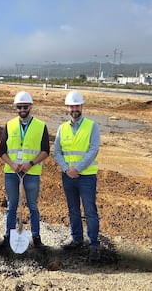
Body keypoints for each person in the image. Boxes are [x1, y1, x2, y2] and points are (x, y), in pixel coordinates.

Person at [0, 91, 50, 251]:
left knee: (32, 206)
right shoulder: (9, 125)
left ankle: (36, 238)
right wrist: (12, 164)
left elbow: (46, 150)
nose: (22, 109)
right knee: (12, 205)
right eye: (19, 107)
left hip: (31, 173)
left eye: (25, 106)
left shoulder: (41, 126)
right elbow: (1, 151)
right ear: (16, 108)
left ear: (30, 107)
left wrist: (31, 163)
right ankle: (8, 237)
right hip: (12, 172)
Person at [54, 90, 101, 262]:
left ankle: (94, 244)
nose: (75, 108)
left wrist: (78, 169)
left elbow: (93, 150)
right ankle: (77, 239)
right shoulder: (62, 128)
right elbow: (57, 151)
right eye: (72, 106)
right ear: (68, 108)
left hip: (86, 177)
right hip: (68, 176)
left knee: (90, 211)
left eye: (77, 105)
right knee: (73, 210)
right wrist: (67, 168)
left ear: (81, 106)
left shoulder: (92, 126)